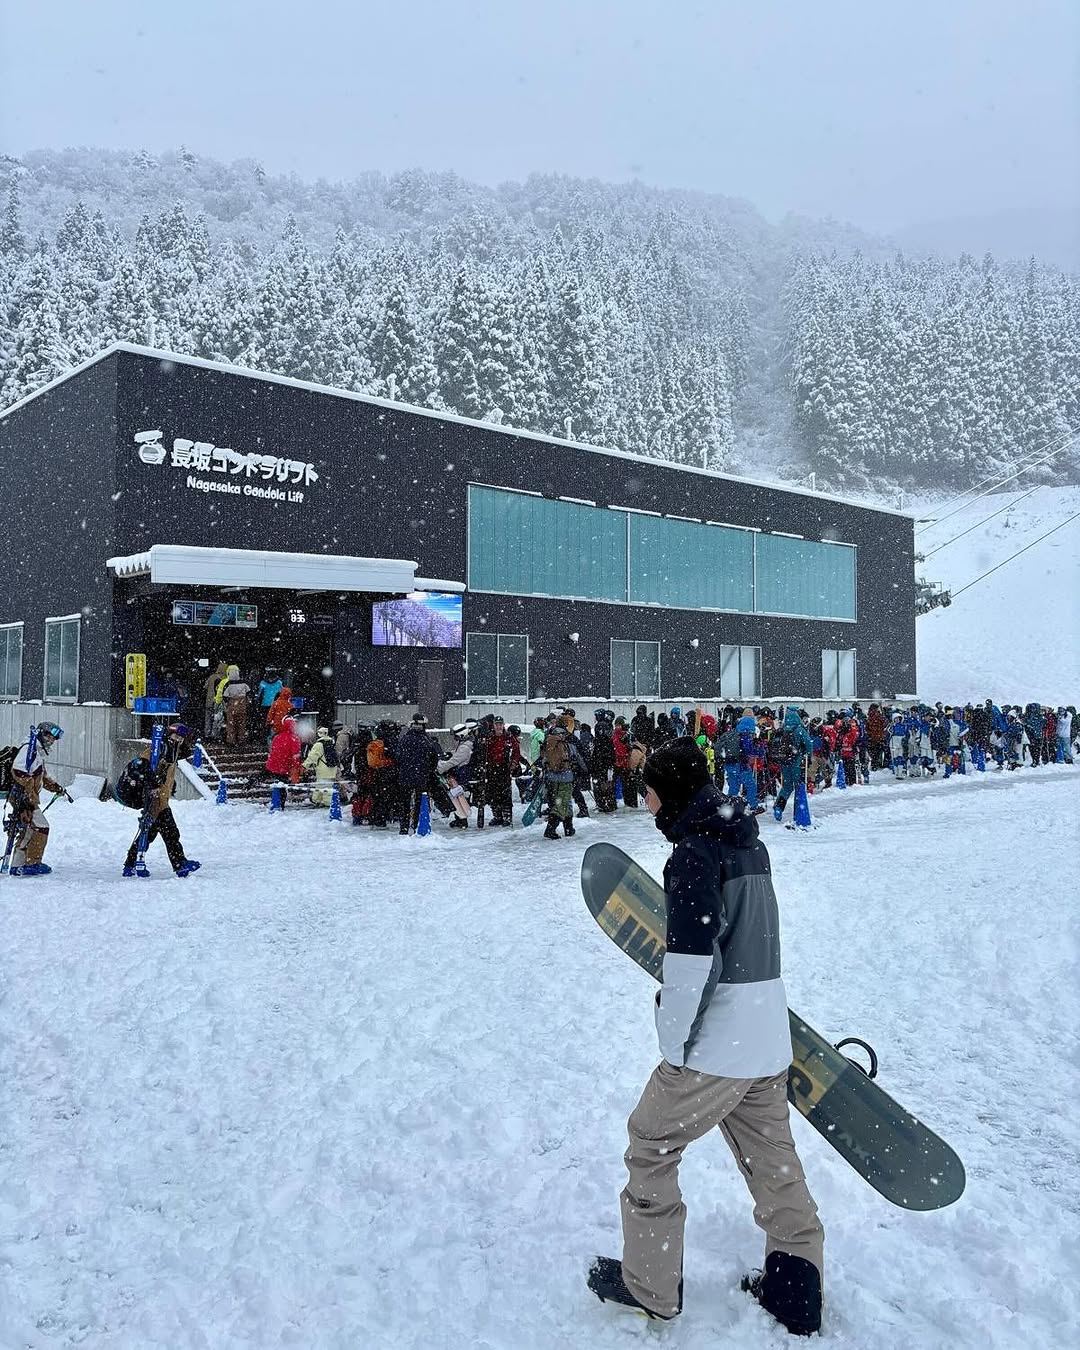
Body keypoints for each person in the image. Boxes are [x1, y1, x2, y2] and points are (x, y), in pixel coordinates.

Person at [587, 739, 823, 1335]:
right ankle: (796, 1289)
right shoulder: (751, 843)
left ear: (671, 790)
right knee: (773, 1161)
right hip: (768, 1036)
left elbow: (694, 963)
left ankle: (651, 1286)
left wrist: (673, 1043)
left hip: (720, 1044)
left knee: (650, 1141)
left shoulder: (693, 854)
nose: (644, 801)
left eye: (648, 789)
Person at [122, 724, 200, 878]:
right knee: (170, 832)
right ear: (168, 735)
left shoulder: (173, 752)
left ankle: (130, 864)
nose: (178, 739)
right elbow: (143, 764)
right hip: (155, 800)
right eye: (175, 736)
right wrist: (153, 784)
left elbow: (168, 769)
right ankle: (180, 864)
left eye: (181, 737)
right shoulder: (160, 749)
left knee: (149, 833)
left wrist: (171, 785)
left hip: (161, 799)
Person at [7, 722, 70, 876]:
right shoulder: (29, 749)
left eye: (54, 739)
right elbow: (19, 771)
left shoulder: (36, 750)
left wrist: (56, 788)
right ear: (41, 734)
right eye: (49, 737)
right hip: (22, 798)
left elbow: (41, 775)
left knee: (28, 830)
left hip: (25, 798)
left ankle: (17, 865)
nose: (51, 741)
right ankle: (32, 863)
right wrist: (29, 797)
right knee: (42, 827)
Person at [539, 718, 587, 839]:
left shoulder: (549, 739)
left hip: (551, 778)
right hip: (565, 778)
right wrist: (585, 770)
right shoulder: (566, 740)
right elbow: (577, 758)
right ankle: (550, 829)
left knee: (566, 802)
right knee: (561, 804)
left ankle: (569, 828)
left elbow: (543, 759)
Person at [396, 714, 439, 833]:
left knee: (404, 802)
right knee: (420, 802)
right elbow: (434, 758)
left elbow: (398, 757)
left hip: (405, 776)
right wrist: (429, 770)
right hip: (421, 777)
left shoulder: (404, 739)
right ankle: (416, 825)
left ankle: (403, 827)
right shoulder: (427, 740)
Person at [772, 707, 813, 822]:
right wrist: (809, 757)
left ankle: (778, 807)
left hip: (785, 761)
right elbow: (808, 744)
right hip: (796, 761)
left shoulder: (783, 729)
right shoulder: (799, 729)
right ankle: (799, 812)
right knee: (799, 786)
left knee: (787, 787)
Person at [438, 721, 476, 828]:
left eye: (456, 736)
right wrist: (449, 754)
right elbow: (456, 754)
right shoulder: (465, 744)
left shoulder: (465, 747)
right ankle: (459, 819)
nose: (455, 739)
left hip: (463, 773)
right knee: (458, 795)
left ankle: (461, 820)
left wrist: (441, 769)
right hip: (462, 772)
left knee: (459, 796)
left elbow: (454, 761)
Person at [265, 715, 303, 805]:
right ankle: (280, 805)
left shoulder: (277, 737)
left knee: (276, 783)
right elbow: (295, 756)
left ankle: (251, 782)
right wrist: (296, 767)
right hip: (284, 767)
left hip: (273, 765)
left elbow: (272, 751)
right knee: (282, 787)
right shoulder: (294, 739)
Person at [302, 725, 341, 807]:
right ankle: (317, 799)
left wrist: (305, 765)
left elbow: (312, 757)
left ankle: (327, 802)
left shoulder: (318, 745)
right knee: (324, 785)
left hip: (323, 769)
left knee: (323, 786)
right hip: (332, 768)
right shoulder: (331, 742)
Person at [222, 665, 251, 745]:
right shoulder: (244, 683)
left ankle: (231, 740)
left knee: (231, 724)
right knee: (241, 724)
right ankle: (241, 739)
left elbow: (224, 696)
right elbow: (249, 693)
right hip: (242, 706)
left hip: (232, 707)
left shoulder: (228, 684)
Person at [202, 660, 229, 741]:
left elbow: (205, 687)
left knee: (208, 718)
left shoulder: (211, 677)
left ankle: (207, 734)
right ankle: (215, 735)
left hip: (209, 701)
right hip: (219, 702)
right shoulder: (226, 679)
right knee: (217, 719)